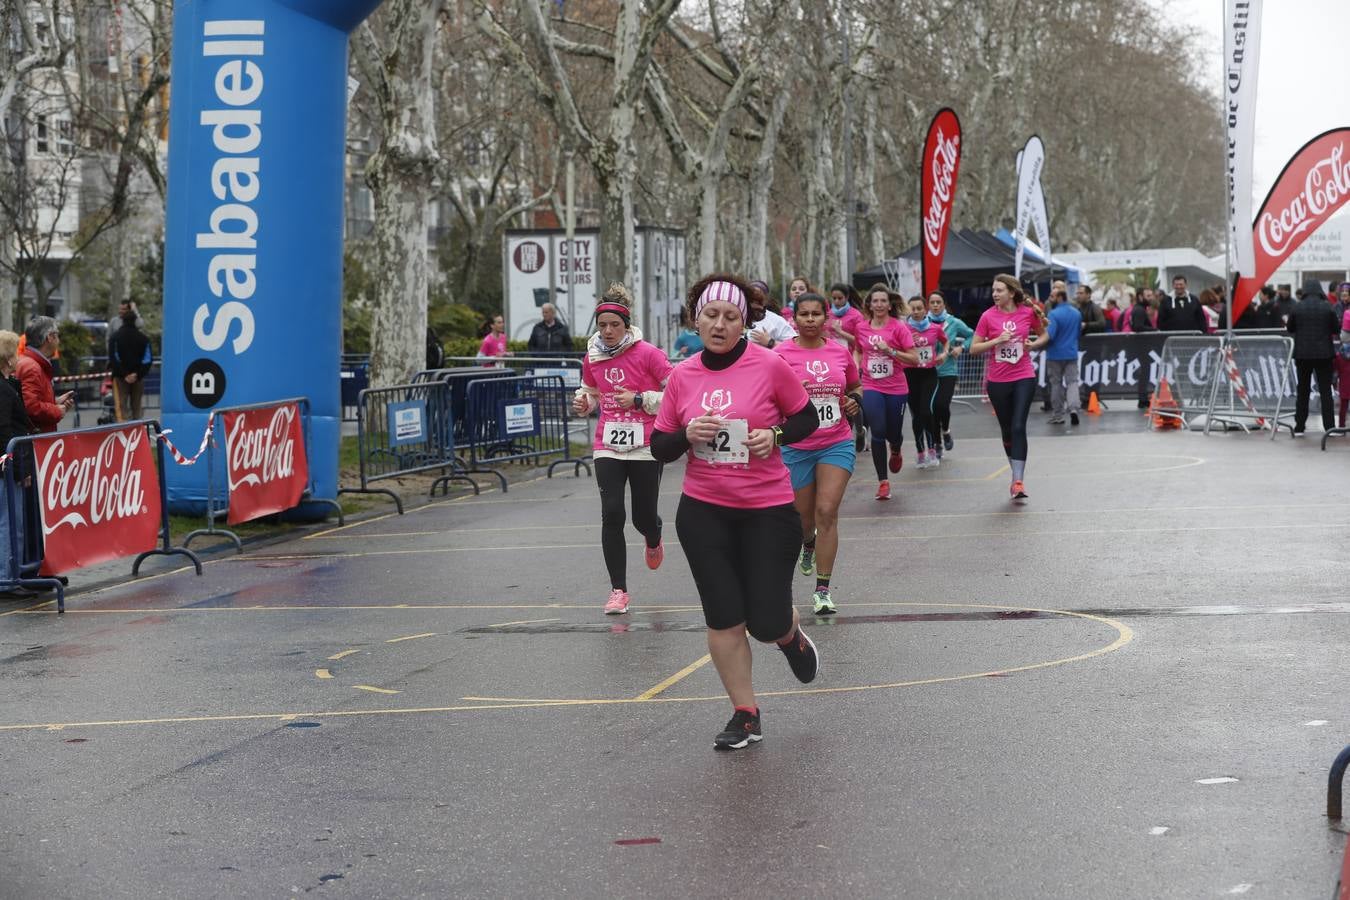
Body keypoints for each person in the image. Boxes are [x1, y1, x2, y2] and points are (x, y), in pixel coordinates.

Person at [650, 274, 821, 751]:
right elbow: (660, 446)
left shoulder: (769, 364)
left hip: (768, 510)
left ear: (744, 322)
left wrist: (777, 436)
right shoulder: (682, 375)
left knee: (765, 620)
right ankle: (745, 713)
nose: (720, 324)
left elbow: (806, 416)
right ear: (695, 319)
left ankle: (789, 636)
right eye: (711, 315)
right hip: (704, 512)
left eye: (730, 317)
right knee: (724, 616)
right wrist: (687, 434)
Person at [571, 283, 673, 615]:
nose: (608, 331)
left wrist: (641, 399)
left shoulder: (648, 354)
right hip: (608, 444)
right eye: (602, 326)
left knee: (643, 517)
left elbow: (676, 393)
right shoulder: (593, 356)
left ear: (626, 326)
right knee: (612, 513)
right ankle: (618, 591)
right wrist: (583, 403)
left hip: (645, 443)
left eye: (615, 325)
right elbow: (589, 392)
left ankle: (653, 535)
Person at [775, 292, 861, 615]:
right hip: (796, 447)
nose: (810, 320)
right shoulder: (780, 355)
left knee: (827, 511)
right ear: (794, 319)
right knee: (803, 521)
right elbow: (769, 395)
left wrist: (855, 402)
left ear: (826, 318)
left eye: (816, 314)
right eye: (804, 314)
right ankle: (807, 545)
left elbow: (855, 386)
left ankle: (822, 590)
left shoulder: (840, 353)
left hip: (835, 442)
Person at [968, 275, 1049, 500]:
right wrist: (996, 341)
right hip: (997, 381)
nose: (995, 294)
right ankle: (1015, 473)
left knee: (1018, 426)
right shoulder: (987, 316)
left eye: (999, 290)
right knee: (1006, 430)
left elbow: (1045, 335)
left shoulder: (1026, 312)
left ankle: (1018, 481)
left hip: (1023, 375)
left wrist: (1034, 344)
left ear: (1011, 293)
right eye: (993, 290)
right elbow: (973, 348)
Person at [855, 284, 919, 499]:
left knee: (893, 433)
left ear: (890, 304)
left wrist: (890, 350)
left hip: (896, 388)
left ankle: (897, 448)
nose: (880, 304)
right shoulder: (862, 327)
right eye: (875, 301)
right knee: (878, 431)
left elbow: (914, 358)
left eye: (883, 301)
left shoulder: (898, 327)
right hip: (872, 386)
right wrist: (856, 369)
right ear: (870, 305)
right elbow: (858, 349)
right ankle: (883, 481)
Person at [1286, 278, 1339, 436]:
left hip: (1302, 355)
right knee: (1325, 392)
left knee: (1303, 390)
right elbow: (1335, 328)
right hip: (1324, 355)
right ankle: (1329, 427)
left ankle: (1300, 427)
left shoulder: (1297, 307)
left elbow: (1290, 328)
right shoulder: (1327, 307)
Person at [900, 295, 947, 468]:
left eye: (919, 308)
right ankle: (920, 452)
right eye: (913, 309)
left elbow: (946, 341)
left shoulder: (935, 328)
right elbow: (896, 346)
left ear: (925, 309)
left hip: (929, 374)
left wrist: (944, 353)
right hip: (910, 374)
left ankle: (933, 448)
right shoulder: (903, 329)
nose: (917, 312)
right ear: (909, 311)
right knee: (916, 415)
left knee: (927, 411)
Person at [928, 291, 973, 452]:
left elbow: (972, 335)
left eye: (938, 302)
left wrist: (961, 348)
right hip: (928, 371)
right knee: (931, 408)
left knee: (942, 404)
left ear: (944, 304)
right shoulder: (923, 323)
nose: (935, 305)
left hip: (948, 370)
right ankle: (936, 442)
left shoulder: (953, 322)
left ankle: (945, 430)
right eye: (932, 302)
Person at [16, 317, 73, 434]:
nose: (59, 340)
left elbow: (30, 401)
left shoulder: (29, 362)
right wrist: (56, 410)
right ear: (50, 337)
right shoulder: (32, 367)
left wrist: (54, 402)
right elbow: (31, 407)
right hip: (36, 441)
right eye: (57, 335)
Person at [1044, 288, 1082, 426]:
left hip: (1054, 354)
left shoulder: (1053, 314)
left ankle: (1058, 414)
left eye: (1052, 296)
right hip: (1071, 352)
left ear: (1060, 297)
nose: (1050, 299)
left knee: (1056, 384)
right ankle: (1073, 409)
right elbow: (1078, 333)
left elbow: (1050, 335)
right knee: (1072, 382)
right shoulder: (1076, 313)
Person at [107, 310, 153, 421]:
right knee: (136, 407)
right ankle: (137, 432)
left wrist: (124, 374)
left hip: (120, 379)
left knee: (121, 408)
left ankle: (124, 433)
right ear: (135, 321)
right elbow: (148, 360)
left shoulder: (115, 338)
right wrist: (137, 374)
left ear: (122, 320)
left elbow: (113, 358)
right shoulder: (144, 339)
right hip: (138, 379)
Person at [746, 280, 796, 349]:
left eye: (758, 302)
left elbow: (794, 347)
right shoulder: (737, 318)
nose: (754, 306)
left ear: (765, 301)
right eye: (751, 301)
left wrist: (770, 342)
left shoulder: (776, 321)